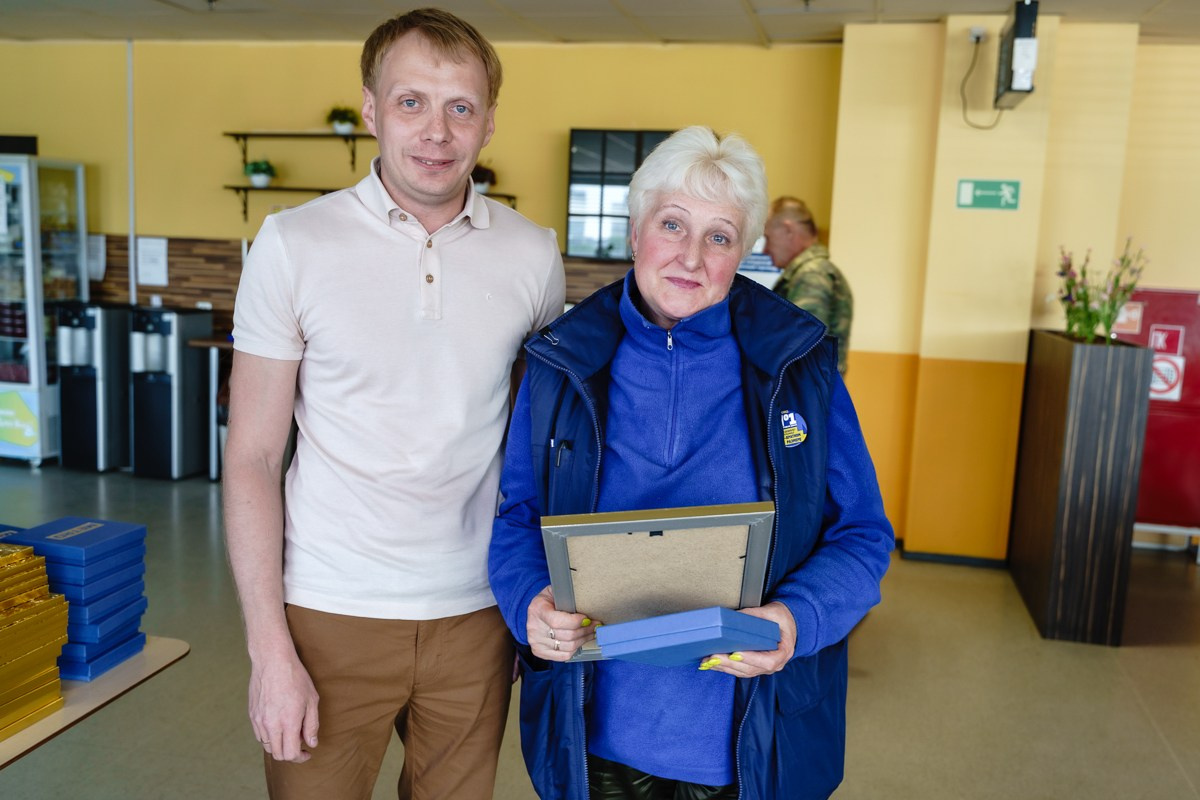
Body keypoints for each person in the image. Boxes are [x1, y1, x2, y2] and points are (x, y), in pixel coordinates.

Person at [488, 126, 893, 800]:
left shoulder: (801, 366)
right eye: (672, 224)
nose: (692, 257)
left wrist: (796, 620)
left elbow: (863, 535)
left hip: (752, 743)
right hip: (592, 736)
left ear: (744, 252)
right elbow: (518, 518)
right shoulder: (561, 363)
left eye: (720, 236)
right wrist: (529, 600)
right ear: (635, 230)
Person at [223, 8, 565, 799]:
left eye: (460, 107)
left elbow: (537, 449)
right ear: (372, 110)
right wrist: (269, 652)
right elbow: (253, 457)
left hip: (477, 610)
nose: (437, 132)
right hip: (328, 609)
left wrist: (527, 596)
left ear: (488, 122)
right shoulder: (293, 243)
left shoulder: (532, 254)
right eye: (411, 102)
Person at [762, 196, 853, 374]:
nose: (766, 250)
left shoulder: (812, 275)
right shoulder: (810, 273)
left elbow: (801, 346)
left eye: (768, 238)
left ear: (788, 230)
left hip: (805, 388)